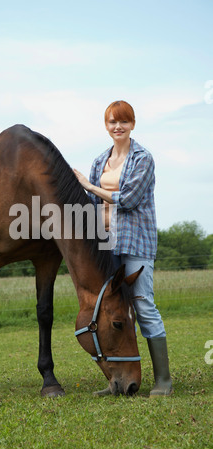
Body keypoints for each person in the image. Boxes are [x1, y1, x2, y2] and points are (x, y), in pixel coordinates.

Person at [73, 100, 172, 396]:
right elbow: (91, 205)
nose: (118, 126)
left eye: (124, 121)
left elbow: (127, 200)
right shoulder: (100, 160)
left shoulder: (143, 158)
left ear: (132, 124)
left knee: (142, 303)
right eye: (113, 122)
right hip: (107, 244)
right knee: (114, 310)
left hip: (136, 241)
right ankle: (114, 380)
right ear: (106, 126)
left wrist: (89, 187)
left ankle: (163, 380)